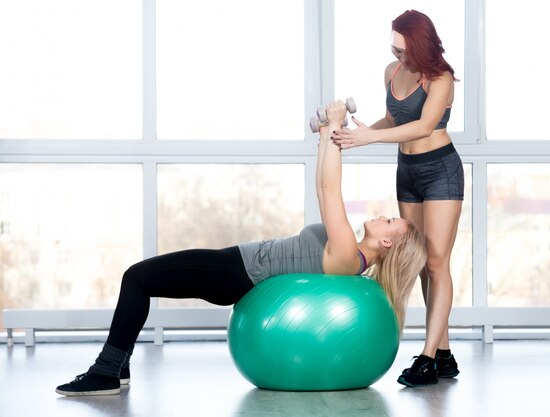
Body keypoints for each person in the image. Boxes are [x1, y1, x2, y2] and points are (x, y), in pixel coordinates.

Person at [55, 100, 427, 396]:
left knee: (136, 278)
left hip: (237, 273)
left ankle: (106, 371)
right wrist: (327, 133)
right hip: (235, 266)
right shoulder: (349, 253)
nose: (384, 215)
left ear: (386, 242)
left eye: (391, 221)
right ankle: (117, 369)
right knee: (140, 279)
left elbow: (331, 190)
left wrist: (334, 127)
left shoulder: (349, 253)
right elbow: (321, 185)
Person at [330, 10, 463, 387]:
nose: (399, 57)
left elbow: (423, 125)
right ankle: (445, 354)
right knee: (421, 262)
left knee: (437, 263)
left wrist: (369, 139)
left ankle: (426, 357)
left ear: (421, 46)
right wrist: (356, 137)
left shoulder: (441, 79)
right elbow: (394, 121)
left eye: (405, 51)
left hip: (441, 171)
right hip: (408, 170)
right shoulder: (392, 71)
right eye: (394, 49)